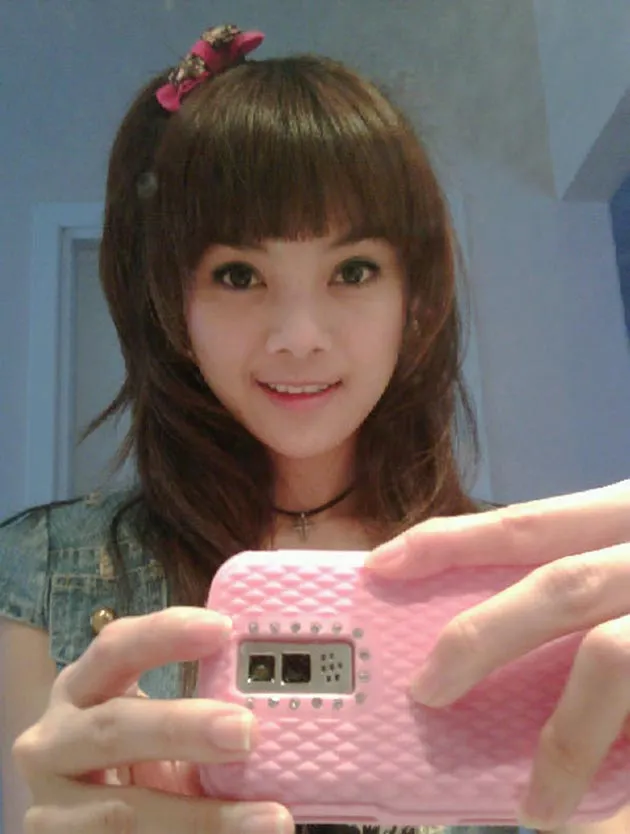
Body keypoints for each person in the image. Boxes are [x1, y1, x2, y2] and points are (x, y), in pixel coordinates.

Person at [1, 21, 628, 834]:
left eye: (353, 270)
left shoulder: (525, 589)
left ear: (415, 298)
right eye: (238, 275)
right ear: (173, 306)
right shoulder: (40, 574)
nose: (299, 336)